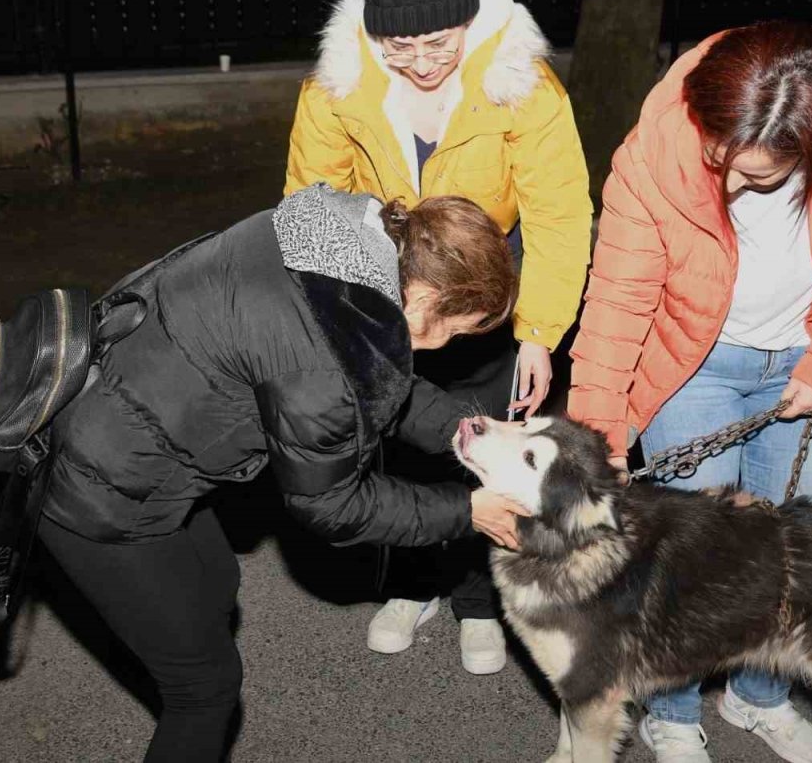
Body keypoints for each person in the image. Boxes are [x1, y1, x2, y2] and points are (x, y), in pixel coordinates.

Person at [38, 184, 528, 762]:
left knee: (214, 585)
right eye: (457, 328)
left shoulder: (330, 243)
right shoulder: (325, 359)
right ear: (423, 296)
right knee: (205, 689)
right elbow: (332, 503)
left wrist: (467, 429)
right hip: (100, 490)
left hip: (111, 416)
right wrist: (467, 510)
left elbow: (378, 381)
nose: (448, 345)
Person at [568, 21, 812, 763]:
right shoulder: (657, 148)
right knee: (691, 554)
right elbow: (618, 299)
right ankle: (672, 710)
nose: (726, 186)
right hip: (693, 362)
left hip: (810, 355)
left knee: (791, 543)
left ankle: (762, 696)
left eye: (757, 178)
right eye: (718, 161)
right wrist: (598, 435)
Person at [285, 0, 591, 675]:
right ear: (373, 32)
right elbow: (313, 202)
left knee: (483, 433)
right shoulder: (339, 83)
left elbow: (558, 211)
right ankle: (413, 580)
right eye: (400, 43)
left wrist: (537, 331)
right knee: (398, 427)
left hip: (490, 274)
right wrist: (346, 319)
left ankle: (479, 600)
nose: (420, 61)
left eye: (438, 40)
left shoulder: (522, 84)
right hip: (391, 273)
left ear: (469, 20)